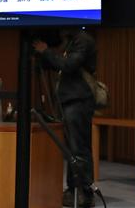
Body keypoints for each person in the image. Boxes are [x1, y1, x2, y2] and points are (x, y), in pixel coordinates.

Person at [33, 28, 97, 208]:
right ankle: (73, 189)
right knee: (72, 149)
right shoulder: (73, 41)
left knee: (79, 148)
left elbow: (69, 65)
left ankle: (84, 192)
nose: (61, 28)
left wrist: (46, 51)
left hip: (78, 101)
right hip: (70, 101)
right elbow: (60, 64)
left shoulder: (83, 40)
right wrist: (44, 56)